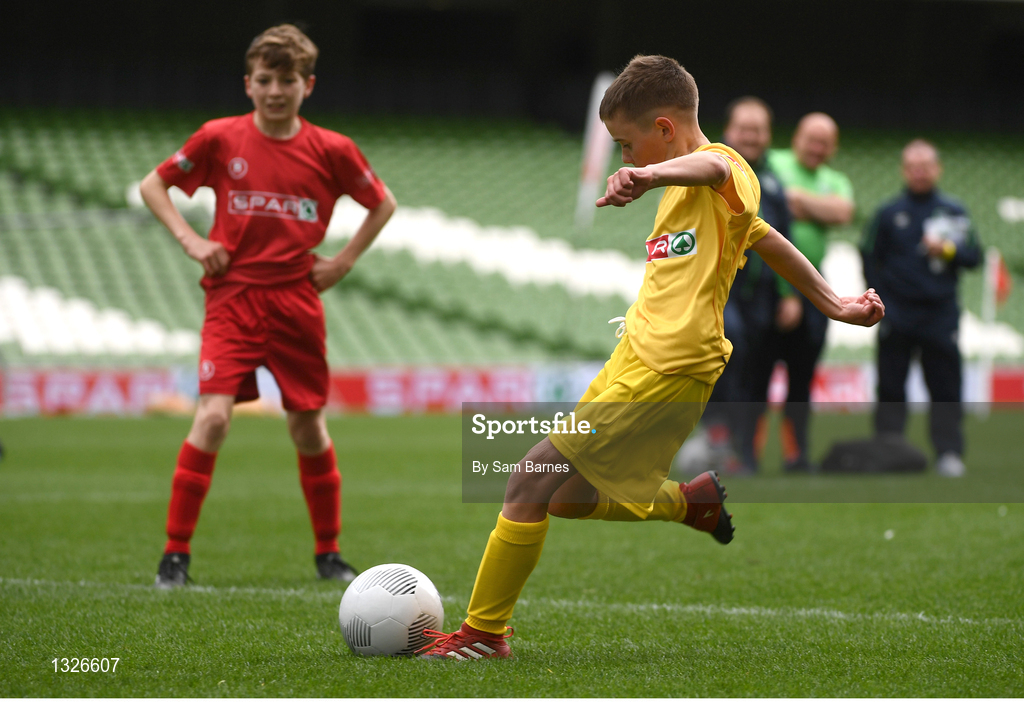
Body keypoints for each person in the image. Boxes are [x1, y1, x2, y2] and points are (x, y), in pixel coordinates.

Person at [418, 55, 883, 660]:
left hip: (668, 367)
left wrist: (653, 177)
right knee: (561, 495)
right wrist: (833, 302)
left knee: (528, 480)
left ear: (664, 129)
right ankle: (688, 503)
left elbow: (713, 165)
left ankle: (482, 636)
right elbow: (766, 238)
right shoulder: (704, 196)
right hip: (635, 357)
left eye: (626, 144)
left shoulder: (724, 168)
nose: (624, 159)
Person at [140, 25, 397, 587]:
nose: (275, 90)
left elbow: (383, 204)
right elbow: (153, 186)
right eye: (264, 79)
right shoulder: (218, 138)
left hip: (296, 302)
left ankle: (329, 553)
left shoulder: (332, 149)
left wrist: (342, 262)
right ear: (247, 84)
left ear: (308, 85)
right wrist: (193, 240)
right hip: (232, 298)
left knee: (307, 426)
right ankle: (174, 556)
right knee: (211, 418)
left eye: (287, 80)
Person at [684, 96, 792, 474]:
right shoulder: (712, 169)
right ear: (728, 131)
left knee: (758, 365)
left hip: (761, 294)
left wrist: (788, 295)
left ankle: (745, 450)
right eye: (744, 128)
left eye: (758, 130)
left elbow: (785, 239)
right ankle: (715, 432)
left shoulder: (776, 184)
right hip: (720, 288)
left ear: (768, 136)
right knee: (733, 349)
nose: (751, 136)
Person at [861, 139, 980, 477]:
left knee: (945, 385)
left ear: (937, 168)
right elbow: (869, 256)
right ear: (904, 170)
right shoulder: (888, 213)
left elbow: (975, 257)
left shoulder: (954, 211)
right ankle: (889, 449)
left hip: (940, 314)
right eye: (913, 166)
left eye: (926, 165)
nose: (920, 172)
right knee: (891, 385)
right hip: (896, 312)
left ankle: (949, 453)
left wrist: (948, 252)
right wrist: (879, 297)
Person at [762, 112, 855, 472]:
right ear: (796, 137)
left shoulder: (836, 179)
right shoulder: (773, 161)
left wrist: (797, 200)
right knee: (758, 371)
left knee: (802, 376)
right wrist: (814, 208)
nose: (817, 148)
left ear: (833, 148)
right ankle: (746, 454)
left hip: (815, 287)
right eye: (811, 139)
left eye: (824, 143)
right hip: (769, 285)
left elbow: (843, 212)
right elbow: (770, 206)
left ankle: (796, 454)